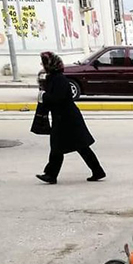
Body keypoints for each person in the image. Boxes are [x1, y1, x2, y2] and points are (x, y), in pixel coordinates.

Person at [36, 51, 105, 184]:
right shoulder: (53, 78)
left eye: (44, 63)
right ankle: (97, 171)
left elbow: (58, 98)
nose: (42, 65)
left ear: (50, 65)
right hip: (64, 118)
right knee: (69, 147)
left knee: (72, 147)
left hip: (68, 119)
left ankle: (51, 175)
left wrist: (43, 96)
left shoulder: (59, 79)